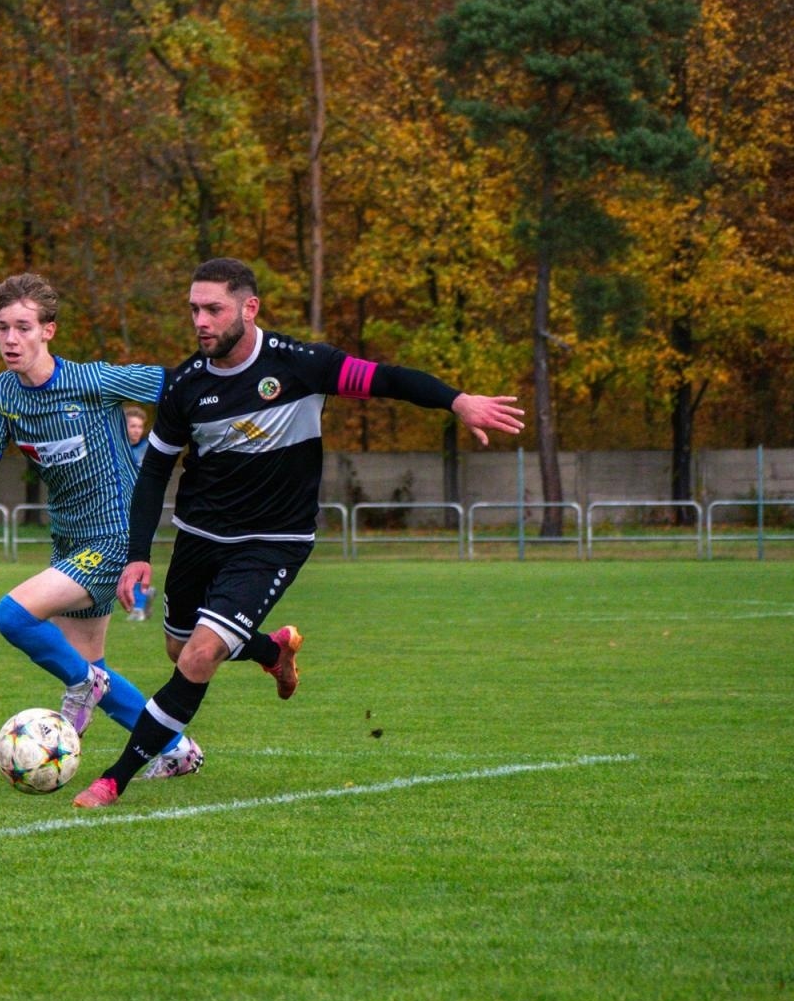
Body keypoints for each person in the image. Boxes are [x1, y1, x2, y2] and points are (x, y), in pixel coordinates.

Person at [72, 257, 526, 809]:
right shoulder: (184, 386)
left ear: (249, 307)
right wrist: (138, 554)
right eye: (194, 309)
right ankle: (273, 650)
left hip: (272, 542)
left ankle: (112, 779)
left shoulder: (302, 365)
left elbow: (387, 379)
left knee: (198, 658)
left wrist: (457, 400)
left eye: (213, 308)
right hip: (199, 537)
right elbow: (154, 474)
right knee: (177, 648)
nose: (201, 321)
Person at [0, 274, 218, 778]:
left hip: (116, 534)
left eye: (23, 327)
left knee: (13, 617)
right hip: (68, 539)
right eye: (2, 328)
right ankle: (175, 748)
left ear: (49, 331)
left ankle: (84, 689)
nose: (10, 339)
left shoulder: (92, 381)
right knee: (92, 667)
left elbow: (177, 385)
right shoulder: (3, 393)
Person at [122, 406, 155, 621]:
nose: (136, 430)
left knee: (136, 557)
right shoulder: (114, 449)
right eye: (132, 426)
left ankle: (139, 606)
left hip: (140, 512)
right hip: (118, 510)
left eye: (140, 427)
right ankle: (143, 595)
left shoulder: (149, 449)